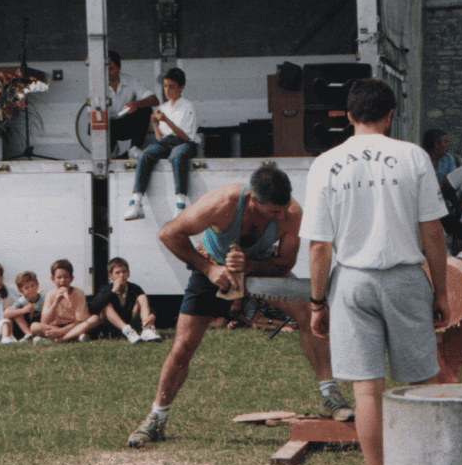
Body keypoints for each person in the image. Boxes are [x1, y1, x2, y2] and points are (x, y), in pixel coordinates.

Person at [300, 78, 449, 465]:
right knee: (424, 385)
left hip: (352, 281)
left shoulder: (325, 164)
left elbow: (319, 246)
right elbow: (433, 232)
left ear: (348, 116)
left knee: (366, 392)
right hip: (405, 277)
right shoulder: (413, 156)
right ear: (390, 115)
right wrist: (442, 290)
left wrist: (316, 302)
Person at [127, 164, 351, 448]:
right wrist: (210, 269)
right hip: (213, 268)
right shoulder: (223, 202)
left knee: (309, 313)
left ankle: (330, 395)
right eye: (274, 212)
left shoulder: (292, 213)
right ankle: (156, 418)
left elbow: (285, 263)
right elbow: (168, 233)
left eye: (284, 210)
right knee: (182, 345)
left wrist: (250, 265)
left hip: (260, 268)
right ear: (253, 199)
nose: (281, 216)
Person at [124, 67, 199, 221]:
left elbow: (186, 136)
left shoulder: (188, 106)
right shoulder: (163, 108)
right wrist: (156, 124)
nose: (167, 90)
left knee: (178, 156)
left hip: (184, 142)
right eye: (165, 86)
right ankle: (136, 202)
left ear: (181, 87)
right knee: (146, 153)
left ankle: (180, 206)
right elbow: (160, 138)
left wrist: (166, 120)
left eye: (171, 86)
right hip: (167, 142)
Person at [90, 257, 161, 343]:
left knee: (142, 297)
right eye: (117, 272)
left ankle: (148, 330)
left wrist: (152, 315)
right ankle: (127, 330)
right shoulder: (106, 289)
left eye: (124, 271)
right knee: (105, 304)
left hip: (132, 324)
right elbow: (94, 307)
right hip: (114, 327)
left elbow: (148, 304)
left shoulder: (134, 288)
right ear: (110, 276)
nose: (121, 275)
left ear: (128, 274)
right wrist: (113, 291)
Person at [31, 260, 101, 343]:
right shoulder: (50, 294)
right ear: (52, 279)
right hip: (55, 327)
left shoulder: (78, 293)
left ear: (71, 278)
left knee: (95, 319)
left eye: (66, 277)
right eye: (59, 277)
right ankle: (74, 338)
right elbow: (44, 321)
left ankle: (60, 340)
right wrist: (56, 302)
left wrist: (61, 332)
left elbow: (80, 321)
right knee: (34, 326)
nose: (62, 280)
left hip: (74, 326)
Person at [107, 50, 159, 159]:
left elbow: (154, 100)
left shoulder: (132, 81)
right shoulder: (97, 86)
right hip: (107, 128)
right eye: (104, 69)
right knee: (95, 122)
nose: (107, 72)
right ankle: (111, 150)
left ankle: (134, 149)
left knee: (145, 110)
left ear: (119, 68)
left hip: (126, 125)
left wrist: (136, 103)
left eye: (111, 68)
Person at [5, 271, 45, 341]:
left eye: (33, 285)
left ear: (37, 285)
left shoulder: (44, 298)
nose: (31, 289)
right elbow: (6, 313)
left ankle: (42, 335)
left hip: (40, 323)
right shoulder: (21, 301)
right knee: (16, 313)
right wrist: (23, 310)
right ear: (21, 291)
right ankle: (29, 335)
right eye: (26, 288)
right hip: (26, 324)